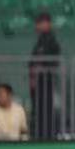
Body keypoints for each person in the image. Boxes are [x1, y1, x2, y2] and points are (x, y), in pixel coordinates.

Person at [27, 11, 61, 140]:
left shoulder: (51, 40)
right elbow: (33, 61)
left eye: (40, 23)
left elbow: (51, 61)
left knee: (45, 108)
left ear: (47, 24)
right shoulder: (40, 40)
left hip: (46, 81)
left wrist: (39, 70)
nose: (38, 26)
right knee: (38, 109)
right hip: (38, 82)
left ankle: (46, 134)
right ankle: (39, 134)